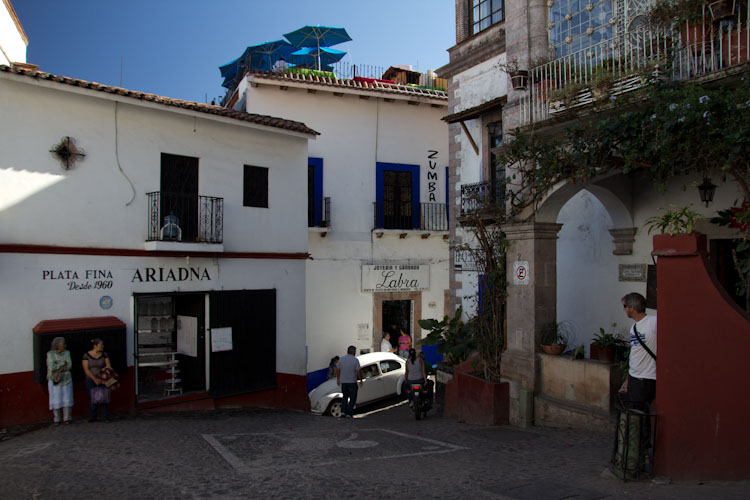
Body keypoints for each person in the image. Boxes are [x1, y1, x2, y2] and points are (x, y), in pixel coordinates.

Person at [619, 292, 657, 409]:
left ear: (632, 308)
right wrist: (628, 379)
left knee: (641, 414)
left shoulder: (652, 322)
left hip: (646, 378)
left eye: (625, 306)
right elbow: (635, 353)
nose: (624, 309)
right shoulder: (634, 327)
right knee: (634, 414)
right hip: (634, 377)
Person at [82, 338, 112, 422]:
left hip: (103, 379)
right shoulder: (86, 355)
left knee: (104, 398)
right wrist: (94, 379)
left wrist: (103, 377)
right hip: (91, 379)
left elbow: (108, 365)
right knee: (92, 398)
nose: (102, 346)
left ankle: (105, 417)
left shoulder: (104, 355)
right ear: (95, 346)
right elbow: (86, 369)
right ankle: (93, 416)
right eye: (101, 345)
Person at [46, 337, 73, 425]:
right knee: (55, 398)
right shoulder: (50, 354)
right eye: (63, 344)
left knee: (67, 397)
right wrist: (62, 364)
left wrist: (59, 365)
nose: (65, 345)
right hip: (55, 379)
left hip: (66, 378)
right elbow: (51, 367)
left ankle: (67, 418)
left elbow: (69, 366)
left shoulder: (67, 353)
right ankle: (57, 419)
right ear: (58, 345)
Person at [335, 346, 362, 418]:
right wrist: (361, 380)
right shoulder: (355, 360)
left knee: (345, 397)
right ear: (354, 352)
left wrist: (338, 379)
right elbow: (358, 371)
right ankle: (349, 413)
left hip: (344, 382)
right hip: (352, 382)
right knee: (353, 398)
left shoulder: (341, 359)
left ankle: (343, 411)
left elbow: (337, 369)